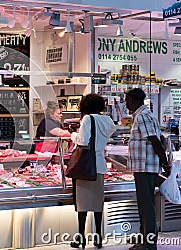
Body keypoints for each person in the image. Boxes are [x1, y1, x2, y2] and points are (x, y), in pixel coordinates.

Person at [125, 88, 171, 250]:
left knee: (147, 206)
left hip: (146, 167)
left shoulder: (143, 116)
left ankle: (149, 244)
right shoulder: (143, 115)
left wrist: (165, 164)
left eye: (126, 100)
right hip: (143, 166)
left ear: (131, 100)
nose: (125, 104)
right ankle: (145, 240)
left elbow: (154, 141)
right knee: (144, 205)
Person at [69, 93, 116, 249]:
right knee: (97, 204)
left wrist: (73, 135)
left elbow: (83, 141)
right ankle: (98, 237)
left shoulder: (88, 119)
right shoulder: (108, 120)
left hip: (86, 166)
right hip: (100, 165)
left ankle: (81, 237)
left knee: (82, 206)